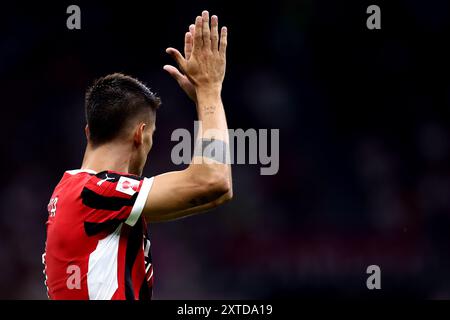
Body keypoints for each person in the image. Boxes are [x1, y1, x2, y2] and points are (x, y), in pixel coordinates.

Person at [43, 10, 232, 300]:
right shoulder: (96, 193)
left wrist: (208, 101)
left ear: (87, 133)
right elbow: (213, 180)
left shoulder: (78, 194)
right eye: (152, 136)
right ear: (140, 135)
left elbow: (217, 193)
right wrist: (209, 92)